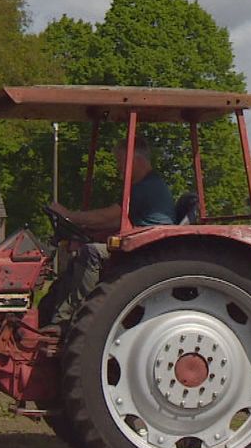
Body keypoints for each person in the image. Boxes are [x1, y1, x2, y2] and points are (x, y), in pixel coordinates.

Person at [40, 135, 175, 331]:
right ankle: (49, 316)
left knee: (91, 252)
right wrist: (84, 230)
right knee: (81, 253)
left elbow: (108, 216)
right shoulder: (144, 186)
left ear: (136, 160)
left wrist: (68, 215)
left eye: (121, 161)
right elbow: (115, 222)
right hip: (141, 248)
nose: (118, 167)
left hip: (149, 253)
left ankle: (69, 321)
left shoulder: (147, 187)